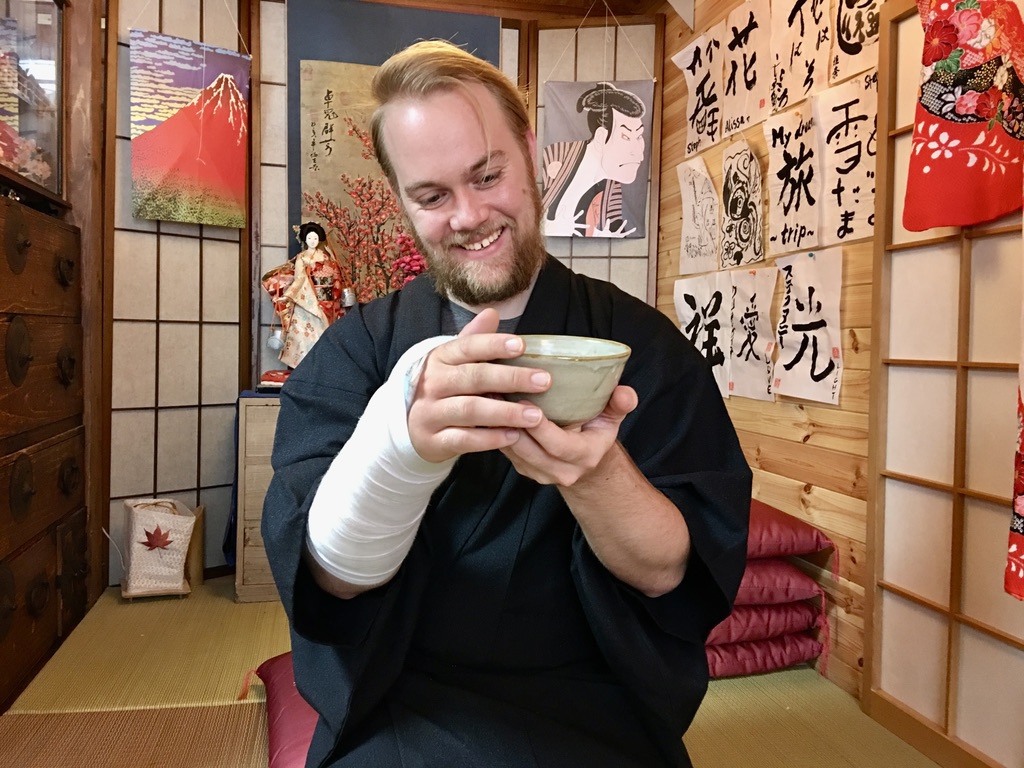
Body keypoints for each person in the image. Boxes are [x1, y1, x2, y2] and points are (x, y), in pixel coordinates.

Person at [262, 40, 751, 768]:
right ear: (400, 200)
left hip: (600, 701)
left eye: (487, 175)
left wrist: (596, 475)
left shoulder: (645, 349)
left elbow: (673, 575)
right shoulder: (357, 354)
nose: (468, 215)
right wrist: (399, 452)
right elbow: (327, 580)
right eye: (432, 197)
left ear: (530, 152)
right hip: (398, 699)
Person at [541, 82, 646, 238]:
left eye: (639, 136)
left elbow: (614, 224)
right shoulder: (556, 154)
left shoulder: (612, 186)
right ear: (601, 137)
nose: (638, 154)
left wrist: (607, 234)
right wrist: (551, 226)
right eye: (625, 136)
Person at [261, 221, 345, 367]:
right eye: (309, 238)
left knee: (326, 333)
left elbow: (336, 277)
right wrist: (291, 294)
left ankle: (323, 365)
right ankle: (306, 365)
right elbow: (300, 278)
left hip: (327, 301)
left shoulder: (327, 257)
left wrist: (335, 295)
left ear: (319, 239)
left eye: (315, 238)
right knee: (305, 334)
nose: (312, 241)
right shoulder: (302, 257)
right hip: (307, 299)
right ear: (305, 239)